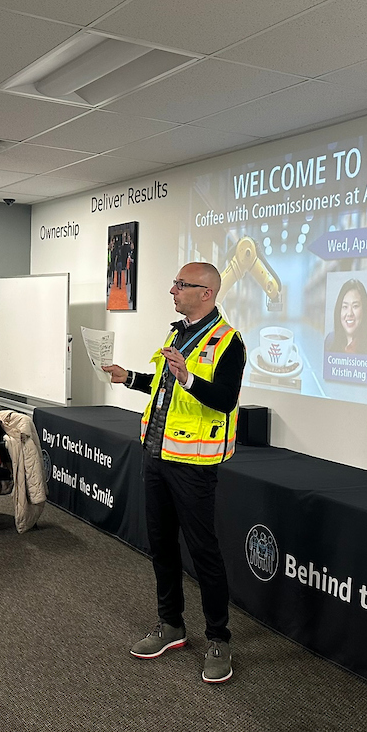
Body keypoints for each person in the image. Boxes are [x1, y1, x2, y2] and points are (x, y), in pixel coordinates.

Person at [101, 262, 246, 684]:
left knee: (204, 552)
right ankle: (171, 625)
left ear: (207, 293)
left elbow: (224, 400)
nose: (172, 290)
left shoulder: (228, 342)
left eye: (181, 285)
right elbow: (161, 386)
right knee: (161, 545)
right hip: (156, 454)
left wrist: (189, 378)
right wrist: (128, 377)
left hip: (194, 464)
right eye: (175, 283)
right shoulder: (176, 332)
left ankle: (219, 638)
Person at [323, 277, 367, 354]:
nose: (349, 313)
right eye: (345, 307)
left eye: (355, 306)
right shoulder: (329, 340)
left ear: (364, 309)